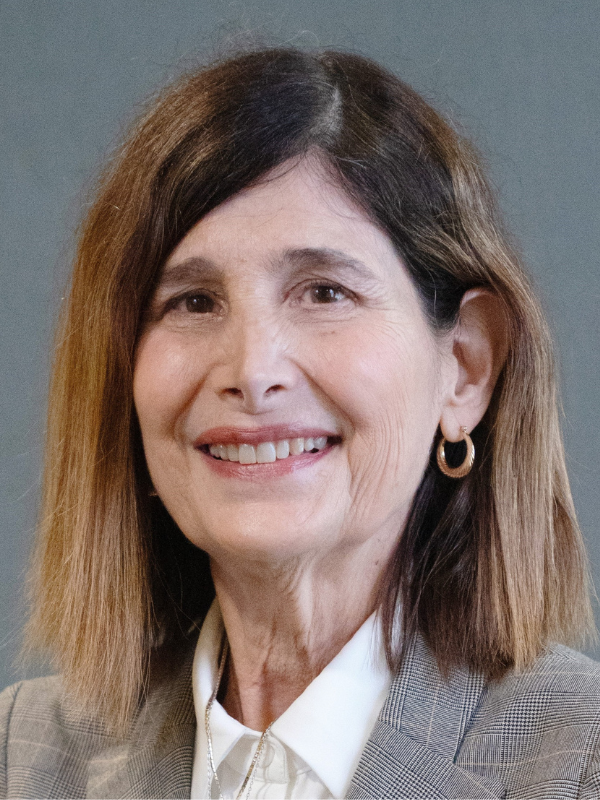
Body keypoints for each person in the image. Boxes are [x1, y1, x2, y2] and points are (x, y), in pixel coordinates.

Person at [1, 45, 599, 800]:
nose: (252, 371)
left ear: (466, 367)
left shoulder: (580, 765)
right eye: (192, 301)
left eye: (324, 292)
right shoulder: (20, 760)